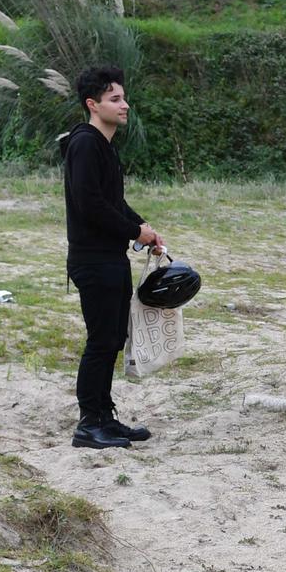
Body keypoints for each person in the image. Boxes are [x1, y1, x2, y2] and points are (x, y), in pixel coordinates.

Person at [62, 63, 164, 450]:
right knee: (101, 341)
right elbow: (90, 204)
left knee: (111, 339)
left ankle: (106, 417)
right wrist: (134, 231)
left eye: (123, 98)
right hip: (93, 260)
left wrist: (143, 229)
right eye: (115, 99)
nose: (125, 106)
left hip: (109, 258)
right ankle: (89, 424)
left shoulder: (102, 145)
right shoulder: (85, 143)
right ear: (93, 104)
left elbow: (113, 202)